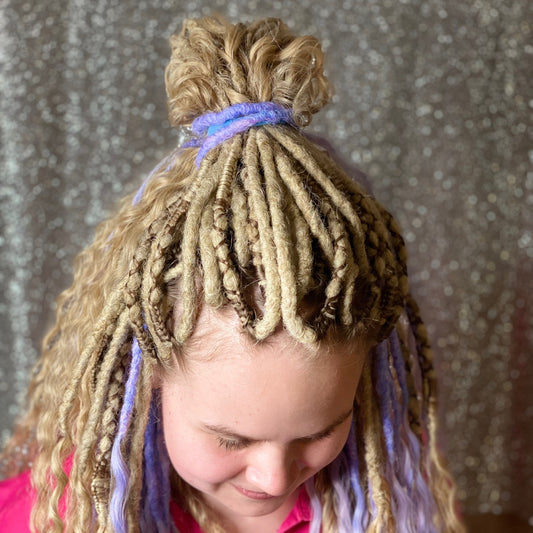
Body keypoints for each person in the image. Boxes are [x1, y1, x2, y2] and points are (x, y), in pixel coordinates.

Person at [0, 15, 465, 533]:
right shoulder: (56, 519)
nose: (273, 478)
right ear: (150, 380)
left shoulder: (389, 499)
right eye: (231, 440)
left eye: (319, 433)